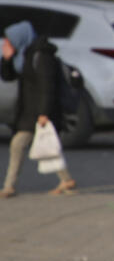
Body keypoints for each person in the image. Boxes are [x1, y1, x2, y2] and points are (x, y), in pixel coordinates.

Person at [1, 21, 76, 198]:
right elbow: (8, 76)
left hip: (40, 111)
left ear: (20, 38)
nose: (7, 45)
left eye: (10, 41)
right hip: (30, 110)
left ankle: (9, 186)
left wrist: (44, 113)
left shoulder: (41, 55)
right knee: (46, 146)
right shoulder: (23, 55)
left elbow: (47, 86)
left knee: (18, 144)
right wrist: (6, 59)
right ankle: (66, 179)